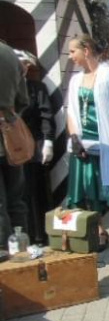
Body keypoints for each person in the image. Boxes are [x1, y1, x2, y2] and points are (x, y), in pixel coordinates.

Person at [65, 34, 109, 252]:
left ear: (86, 50)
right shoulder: (75, 80)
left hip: (106, 140)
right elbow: (71, 112)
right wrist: (74, 138)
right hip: (83, 142)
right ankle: (100, 231)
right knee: (89, 190)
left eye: (72, 51)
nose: (70, 56)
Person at [15, 50, 55, 245]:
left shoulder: (36, 88)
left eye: (24, 65)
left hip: (34, 146)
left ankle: (39, 235)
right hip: (12, 146)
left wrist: (48, 140)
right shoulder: (8, 88)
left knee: (35, 193)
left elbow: (46, 115)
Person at [0, 41, 29, 251]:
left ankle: (3, 257)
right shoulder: (9, 52)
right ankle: (20, 253)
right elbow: (23, 99)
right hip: (11, 135)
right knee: (16, 201)